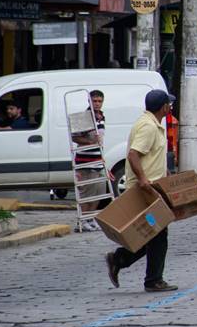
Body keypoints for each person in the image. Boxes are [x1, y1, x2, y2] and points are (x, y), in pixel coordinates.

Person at [105, 89, 178, 293]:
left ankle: (120, 259)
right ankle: (152, 279)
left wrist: (165, 173)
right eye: (168, 104)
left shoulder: (152, 124)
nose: (170, 107)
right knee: (157, 233)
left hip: (152, 189)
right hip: (145, 192)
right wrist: (144, 180)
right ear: (163, 106)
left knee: (152, 233)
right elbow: (134, 155)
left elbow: (150, 156)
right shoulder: (148, 127)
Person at [72, 90, 109, 232]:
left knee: (99, 192)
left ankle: (91, 218)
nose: (97, 104)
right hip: (85, 161)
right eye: (95, 101)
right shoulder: (84, 117)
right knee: (87, 192)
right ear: (89, 101)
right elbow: (75, 137)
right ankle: (82, 220)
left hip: (98, 160)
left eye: (100, 101)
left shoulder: (102, 116)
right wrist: (89, 141)